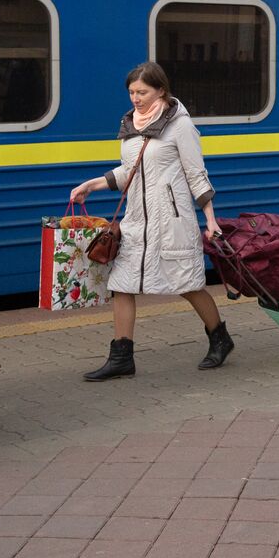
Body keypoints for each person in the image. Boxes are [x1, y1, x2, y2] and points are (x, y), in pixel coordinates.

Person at [70, 62, 233, 380]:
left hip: (172, 222)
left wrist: (210, 219)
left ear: (161, 90)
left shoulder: (180, 125)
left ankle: (220, 338)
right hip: (136, 223)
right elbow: (128, 171)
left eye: (142, 92)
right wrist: (93, 183)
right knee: (122, 285)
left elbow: (195, 174)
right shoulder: (130, 125)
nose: (135, 98)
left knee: (188, 285)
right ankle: (121, 357)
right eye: (131, 92)